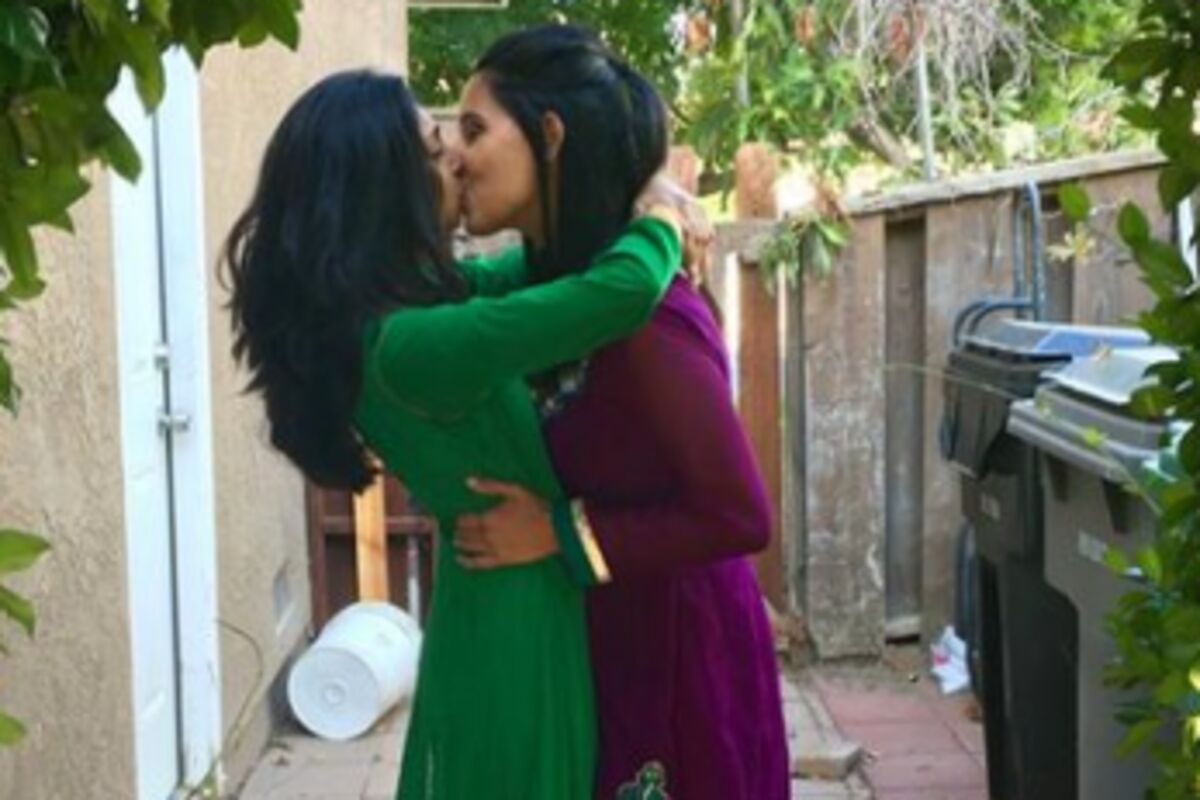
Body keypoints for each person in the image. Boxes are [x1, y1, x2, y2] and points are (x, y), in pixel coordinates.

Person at [223, 69, 691, 799]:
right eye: (436, 149)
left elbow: (522, 274)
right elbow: (622, 292)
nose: (459, 162)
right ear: (384, 186)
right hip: (515, 617)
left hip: (499, 594)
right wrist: (662, 213)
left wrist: (595, 208)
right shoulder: (412, 346)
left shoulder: (394, 315)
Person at [449, 26, 791, 800]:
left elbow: (740, 514)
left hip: (678, 659)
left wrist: (559, 531)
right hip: (603, 637)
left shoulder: (646, 319)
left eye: (473, 129)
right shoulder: (555, 287)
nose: (458, 156)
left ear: (550, 135)